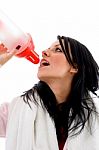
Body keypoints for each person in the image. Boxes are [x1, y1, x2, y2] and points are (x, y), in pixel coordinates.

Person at [0, 35, 99, 150]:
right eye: (48, 48)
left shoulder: (95, 119)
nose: (44, 52)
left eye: (58, 49)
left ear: (74, 67)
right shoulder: (15, 111)